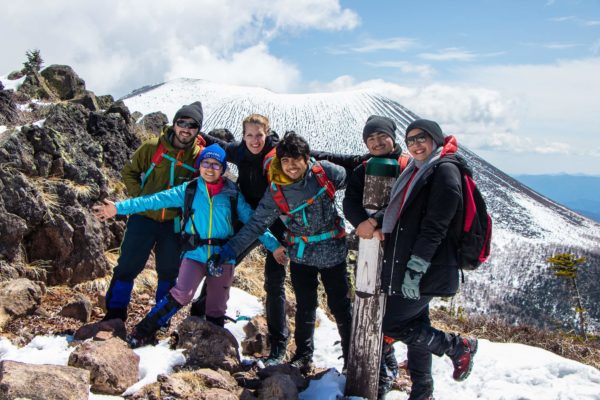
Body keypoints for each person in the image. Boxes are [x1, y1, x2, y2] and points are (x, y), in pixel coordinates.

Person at [197, 115, 365, 366]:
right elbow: (255, 224)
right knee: (304, 304)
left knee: (327, 302)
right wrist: (228, 250)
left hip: (310, 241)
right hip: (282, 239)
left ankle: (343, 357)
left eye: (296, 159)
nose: (291, 166)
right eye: (285, 161)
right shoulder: (269, 182)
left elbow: (349, 177)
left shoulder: (317, 170)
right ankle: (302, 354)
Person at [92, 144, 286, 346]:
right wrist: (118, 208)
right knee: (181, 294)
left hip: (223, 257)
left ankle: (212, 349)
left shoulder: (232, 193)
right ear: (199, 165)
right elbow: (153, 200)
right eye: (206, 163)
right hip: (195, 254)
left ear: (223, 169)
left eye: (216, 164)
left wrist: (274, 246)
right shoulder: (189, 190)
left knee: (216, 307)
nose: (210, 168)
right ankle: (142, 332)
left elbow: (254, 223)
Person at [373, 119, 478, 400]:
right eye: (410, 140)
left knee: (392, 325)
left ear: (435, 139)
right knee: (417, 325)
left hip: (426, 268)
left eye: (422, 138)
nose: (416, 144)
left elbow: (436, 224)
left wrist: (416, 268)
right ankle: (422, 393)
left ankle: (458, 346)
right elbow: (408, 215)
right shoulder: (419, 170)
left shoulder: (444, 170)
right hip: (415, 265)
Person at [102, 102, 205, 322]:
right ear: (174, 124)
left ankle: (160, 320)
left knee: (169, 272)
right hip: (143, 218)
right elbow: (130, 171)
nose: (186, 129)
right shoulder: (152, 147)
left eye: (192, 125)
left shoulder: (199, 158)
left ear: (198, 129)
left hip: (174, 223)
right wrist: (140, 198)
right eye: (182, 122)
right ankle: (115, 315)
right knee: (128, 266)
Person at [342, 115, 406, 398]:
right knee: (368, 300)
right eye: (371, 139)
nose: (378, 143)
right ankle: (380, 366)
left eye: (382, 137)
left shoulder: (408, 167)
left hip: (400, 246)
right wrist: (362, 224)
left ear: (393, 137)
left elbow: (406, 201)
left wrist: (376, 221)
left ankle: (402, 371)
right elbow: (350, 202)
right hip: (370, 245)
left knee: (396, 309)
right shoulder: (362, 169)